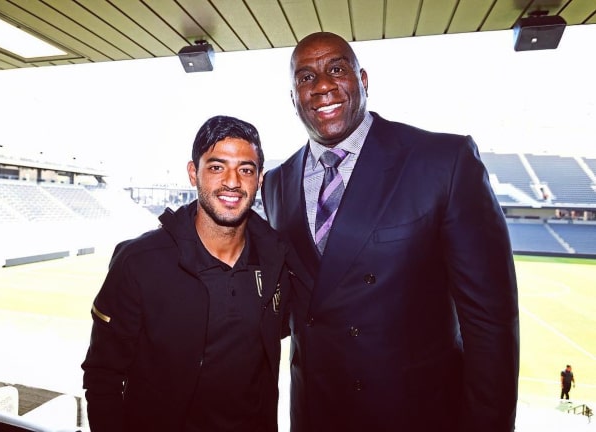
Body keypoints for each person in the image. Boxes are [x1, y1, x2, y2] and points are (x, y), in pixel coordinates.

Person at [262, 31, 520, 431]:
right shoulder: (276, 183)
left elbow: (491, 322)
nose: (323, 85)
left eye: (336, 68)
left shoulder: (442, 162)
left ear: (362, 80)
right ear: (293, 97)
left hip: (414, 414)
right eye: (306, 77)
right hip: (315, 413)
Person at [82, 115, 292, 432]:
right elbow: (103, 378)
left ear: (259, 179)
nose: (233, 182)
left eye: (246, 169)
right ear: (194, 173)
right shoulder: (138, 262)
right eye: (217, 167)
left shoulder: (277, 260)